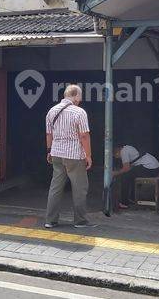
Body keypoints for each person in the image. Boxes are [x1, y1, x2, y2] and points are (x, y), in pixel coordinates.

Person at [44, 84, 96, 229]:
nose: (80, 100)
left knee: (55, 187)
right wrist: (88, 155)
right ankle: (81, 221)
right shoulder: (79, 112)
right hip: (74, 155)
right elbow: (84, 136)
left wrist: (49, 150)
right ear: (76, 95)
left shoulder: (51, 111)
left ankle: (50, 220)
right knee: (79, 187)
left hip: (56, 153)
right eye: (80, 97)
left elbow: (49, 134)